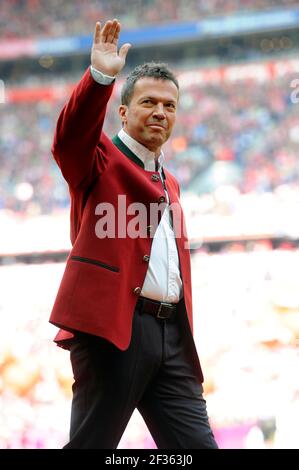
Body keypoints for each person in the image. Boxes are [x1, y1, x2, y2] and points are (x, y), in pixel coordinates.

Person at [49, 18, 218, 449]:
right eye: (149, 102)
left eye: (169, 105)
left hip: (171, 337)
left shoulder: (172, 182)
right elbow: (69, 139)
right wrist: (100, 78)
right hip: (114, 332)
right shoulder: (98, 158)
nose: (161, 112)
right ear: (124, 112)